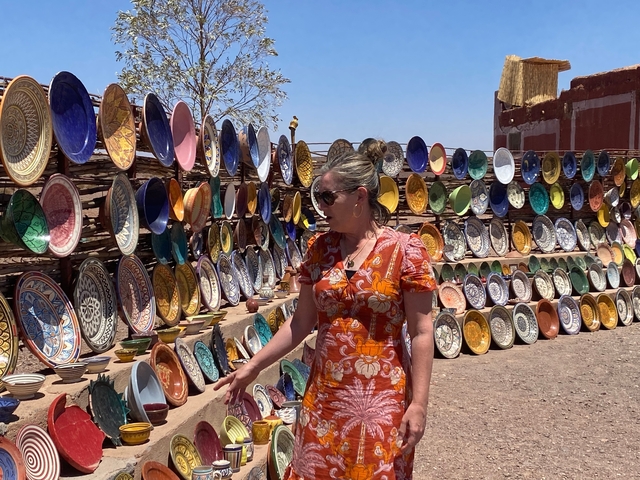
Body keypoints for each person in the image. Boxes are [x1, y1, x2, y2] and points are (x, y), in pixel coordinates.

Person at [214, 141, 437, 479]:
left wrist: (418, 404)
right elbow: (301, 322)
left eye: (328, 198)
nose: (320, 207)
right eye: (318, 198)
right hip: (323, 402)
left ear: (360, 197)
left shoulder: (405, 252)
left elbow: (422, 332)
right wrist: (253, 366)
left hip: (381, 403)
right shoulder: (320, 250)